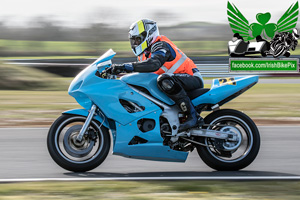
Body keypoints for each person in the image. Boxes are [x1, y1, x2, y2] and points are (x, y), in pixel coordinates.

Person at [111, 19, 204, 132]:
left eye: (138, 39)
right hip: (175, 83)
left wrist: (126, 66)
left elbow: (154, 64)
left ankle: (192, 116)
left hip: (191, 79)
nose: (135, 43)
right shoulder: (144, 55)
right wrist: (115, 72)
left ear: (148, 35)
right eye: (133, 40)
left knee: (164, 79)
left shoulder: (160, 46)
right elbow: (142, 72)